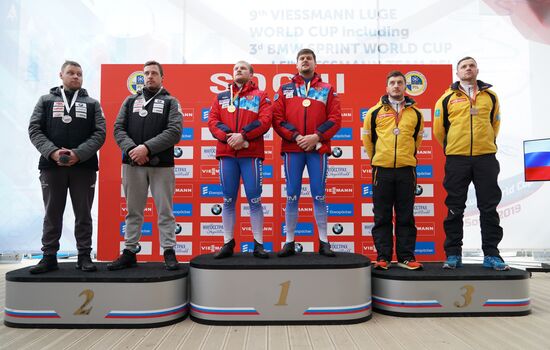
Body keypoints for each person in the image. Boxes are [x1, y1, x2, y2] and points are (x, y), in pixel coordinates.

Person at [28, 60, 106, 274]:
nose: (75, 77)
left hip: (84, 167)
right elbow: (35, 129)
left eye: (79, 74)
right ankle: (49, 256)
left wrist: (78, 154)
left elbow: (100, 133)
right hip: (51, 166)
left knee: (84, 214)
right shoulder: (46, 100)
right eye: (71, 73)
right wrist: (53, 152)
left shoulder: (92, 103)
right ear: (60, 75)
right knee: (52, 213)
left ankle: (84, 256)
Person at [434, 57, 510, 271]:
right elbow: (440, 130)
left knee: (489, 207)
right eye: (463, 66)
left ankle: (492, 255)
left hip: (485, 158)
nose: (468, 69)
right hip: (457, 159)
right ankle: (453, 254)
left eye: (471, 65)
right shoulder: (446, 98)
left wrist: (485, 144)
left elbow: (495, 124)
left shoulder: (491, 96)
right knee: (454, 208)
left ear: (477, 69)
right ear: (457, 73)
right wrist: (453, 148)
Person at [108, 61, 183, 271]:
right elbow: (118, 129)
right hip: (133, 164)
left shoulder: (171, 101)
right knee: (133, 211)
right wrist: (133, 150)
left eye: (154, 73)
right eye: (146, 73)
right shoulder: (130, 101)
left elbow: (174, 132)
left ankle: (169, 251)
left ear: (162, 77)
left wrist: (146, 149)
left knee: (165, 212)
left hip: (162, 166)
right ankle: (130, 252)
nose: (149, 76)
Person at [273, 48, 342, 257]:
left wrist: (316, 137)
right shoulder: (285, 89)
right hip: (293, 148)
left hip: (317, 149)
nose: (305, 61)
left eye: (309, 58)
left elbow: (336, 119)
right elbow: (277, 118)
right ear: (296, 65)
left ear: (315, 63)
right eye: (301, 59)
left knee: (319, 194)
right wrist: (296, 137)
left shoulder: (328, 89)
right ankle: (289, 241)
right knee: (292, 194)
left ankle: (324, 241)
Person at [207, 61, 273, 259]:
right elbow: (212, 121)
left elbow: (265, 120)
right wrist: (229, 136)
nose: (239, 71)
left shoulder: (261, 96)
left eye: (243, 68)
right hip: (228, 154)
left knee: (254, 199)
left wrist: (243, 135)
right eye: (236, 68)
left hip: (250, 154)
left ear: (251, 75)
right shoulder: (221, 97)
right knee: (228, 199)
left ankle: (258, 244)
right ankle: (228, 242)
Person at [362, 71, 424, 270]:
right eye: (392, 83)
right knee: (382, 215)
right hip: (382, 169)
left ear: (405, 87)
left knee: (406, 215)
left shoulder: (416, 113)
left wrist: (408, 156)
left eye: (400, 83)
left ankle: (406, 257)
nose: (396, 86)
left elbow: (417, 140)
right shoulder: (374, 112)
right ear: (386, 87)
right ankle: (383, 257)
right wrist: (377, 159)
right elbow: (368, 140)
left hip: (406, 169)